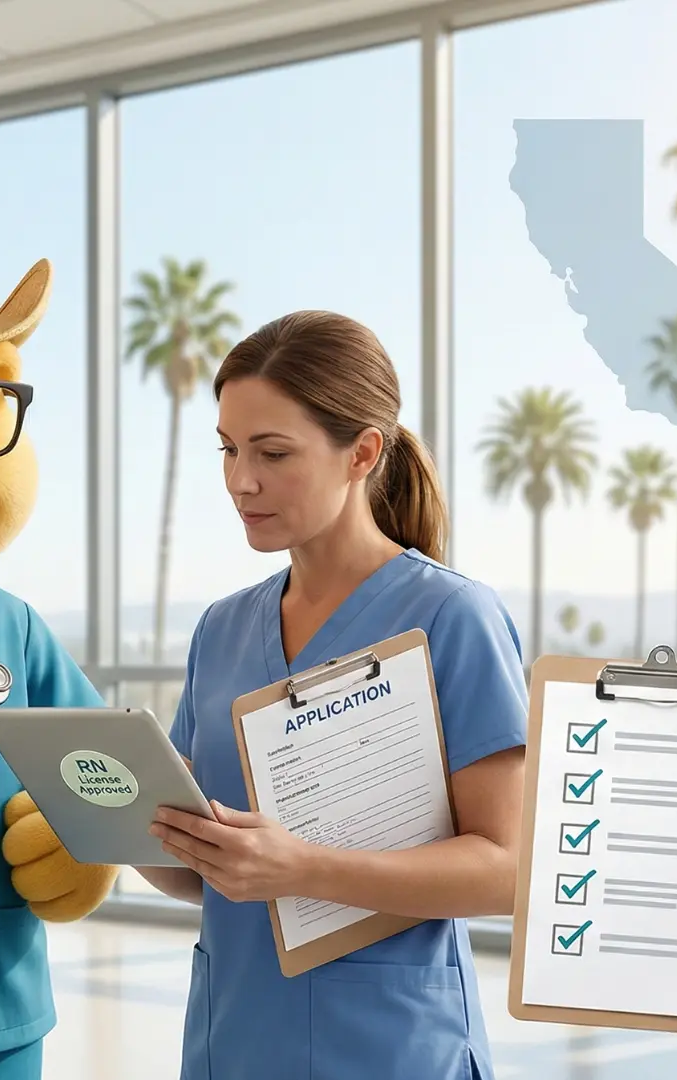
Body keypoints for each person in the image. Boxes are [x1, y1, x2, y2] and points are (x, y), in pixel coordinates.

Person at [141, 310, 528, 1080]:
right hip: (234, 1038)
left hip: (389, 1046)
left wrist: (304, 868)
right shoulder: (221, 629)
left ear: (363, 453)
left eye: (273, 452)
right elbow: (206, 880)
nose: (241, 480)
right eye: (228, 449)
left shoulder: (452, 617)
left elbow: (506, 871)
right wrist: (133, 827)